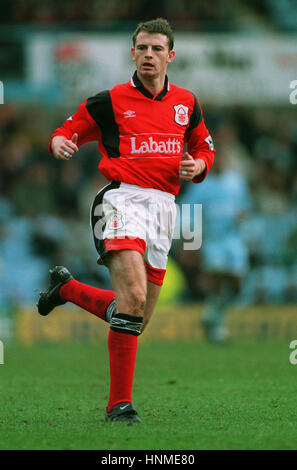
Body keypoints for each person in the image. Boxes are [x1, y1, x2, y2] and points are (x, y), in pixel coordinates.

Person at [37, 18, 215, 422]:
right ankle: (119, 406)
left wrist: (199, 166)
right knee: (132, 301)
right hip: (121, 199)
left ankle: (67, 290)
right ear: (132, 54)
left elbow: (205, 147)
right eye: (141, 48)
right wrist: (59, 143)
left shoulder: (187, 103)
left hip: (164, 209)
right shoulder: (108, 100)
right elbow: (66, 131)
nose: (148, 55)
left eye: (156, 49)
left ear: (170, 56)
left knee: (135, 316)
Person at [178, 146, 251, 343]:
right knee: (216, 277)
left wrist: (241, 217)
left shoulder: (236, 183)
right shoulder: (201, 185)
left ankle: (212, 314)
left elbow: (244, 208)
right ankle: (218, 326)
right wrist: (191, 244)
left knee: (237, 282)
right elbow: (189, 214)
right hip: (211, 240)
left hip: (233, 239)